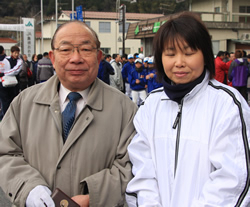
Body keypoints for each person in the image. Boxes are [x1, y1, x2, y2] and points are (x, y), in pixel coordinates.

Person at [0, 21, 137, 207]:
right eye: (65, 50)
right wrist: (29, 188)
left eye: (86, 49)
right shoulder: (24, 103)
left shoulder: (125, 109)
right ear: (53, 57)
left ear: (98, 57)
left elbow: (130, 166)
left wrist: (93, 197)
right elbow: (5, 153)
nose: (76, 58)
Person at [126, 11, 250, 207]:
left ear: (205, 55)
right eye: (170, 54)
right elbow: (142, 171)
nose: (179, 62)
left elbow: (234, 179)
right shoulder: (151, 105)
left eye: (189, 53)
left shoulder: (227, 104)